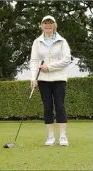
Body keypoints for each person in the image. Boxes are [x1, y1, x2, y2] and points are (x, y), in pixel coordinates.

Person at [30, 15, 72, 146]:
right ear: (41, 25)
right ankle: (50, 137)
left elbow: (67, 59)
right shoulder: (37, 42)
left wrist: (49, 67)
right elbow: (34, 61)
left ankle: (63, 136)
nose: (48, 25)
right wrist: (33, 77)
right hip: (42, 80)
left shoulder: (62, 41)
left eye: (50, 23)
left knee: (59, 106)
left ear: (54, 25)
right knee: (47, 107)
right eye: (45, 23)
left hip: (59, 79)